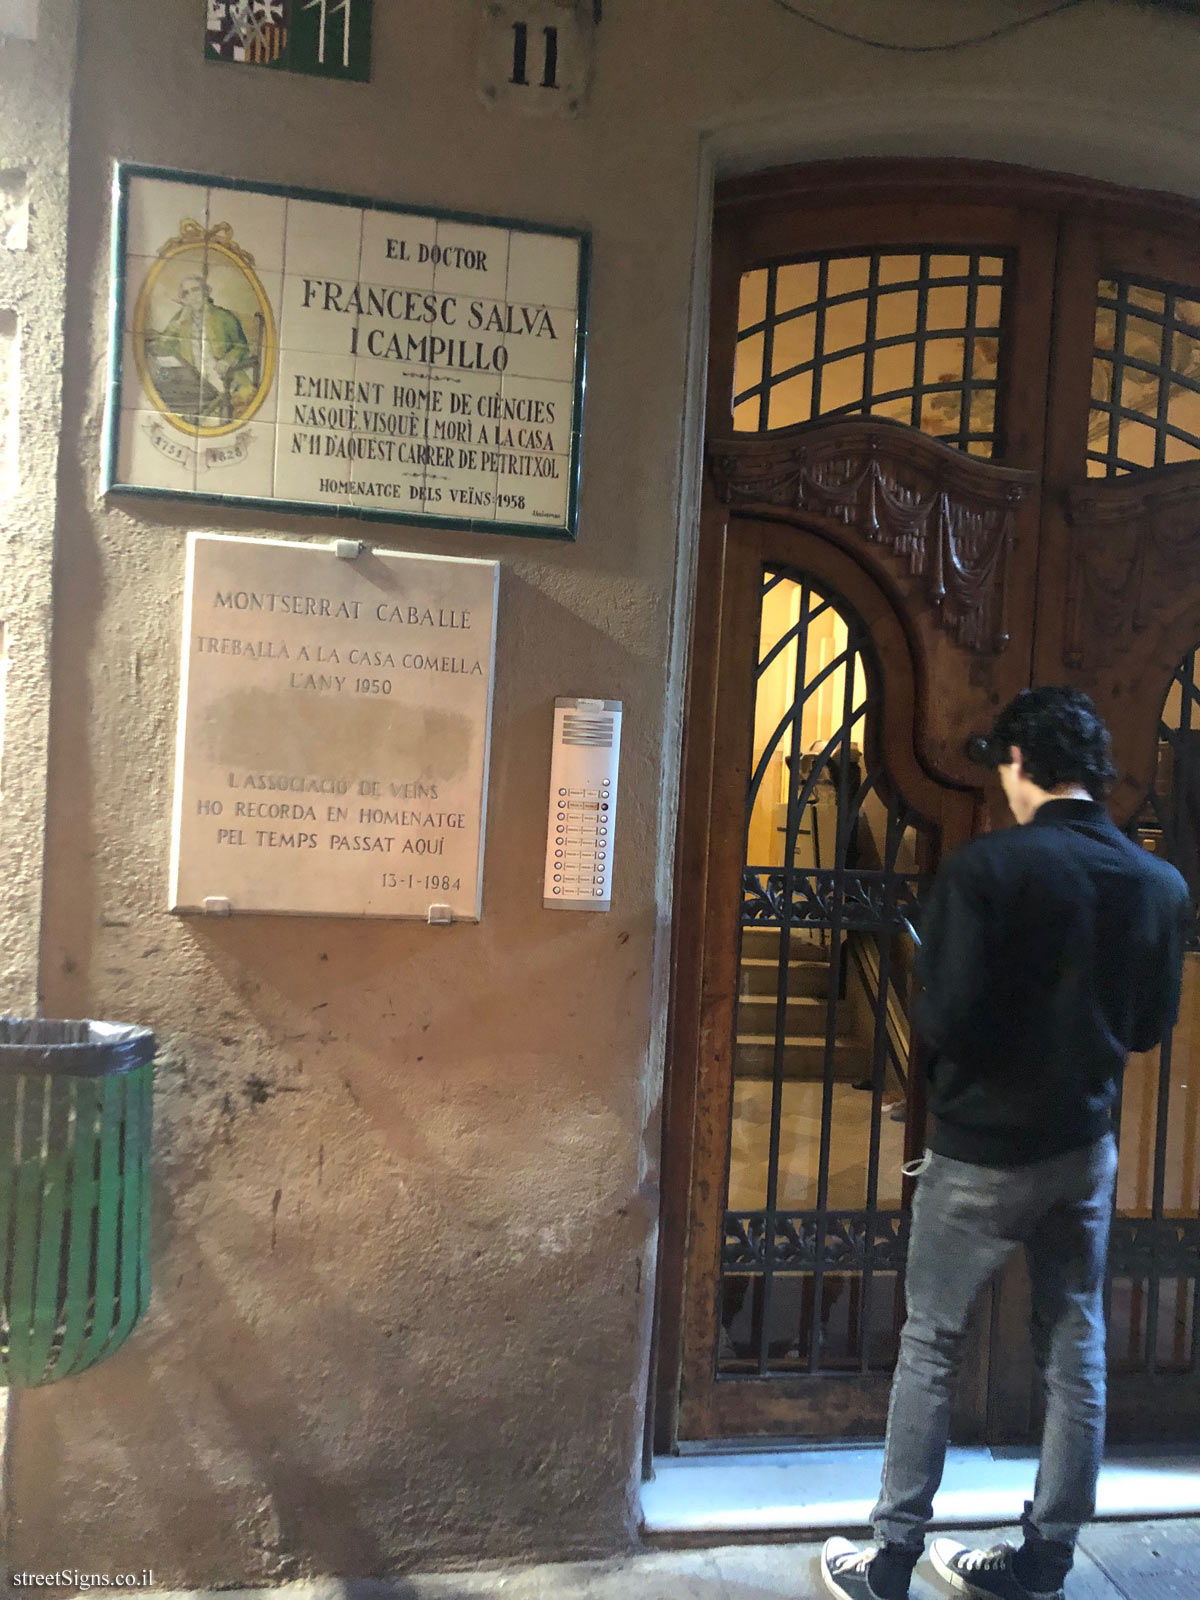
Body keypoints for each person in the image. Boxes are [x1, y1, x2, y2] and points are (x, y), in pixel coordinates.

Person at [820, 686, 1190, 1600]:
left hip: (981, 1149)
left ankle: (892, 1559)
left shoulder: (989, 870)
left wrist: (955, 1094)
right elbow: (1146, 1027)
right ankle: (1043, 1560)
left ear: (1019, 764)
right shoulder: (1160, 886)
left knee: (932, 1342)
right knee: (1076, 1341)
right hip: (1083, 1147)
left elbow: (938, 1016)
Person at [149, 271, 255, 424]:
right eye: (186, 293)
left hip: (223, 378)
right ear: (183, 298)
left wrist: (226, 361)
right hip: (193, 381)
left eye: (196, 289)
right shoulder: (181, 320)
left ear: (205, 291)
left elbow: (242, 347)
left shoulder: (223, 316)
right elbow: (160, 346)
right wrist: (178, 323)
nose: (192, 295)